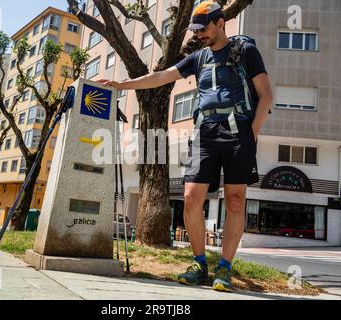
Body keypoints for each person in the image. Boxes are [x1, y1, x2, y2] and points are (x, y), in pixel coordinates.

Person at [100, 1, 272, 292]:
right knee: (191, 198)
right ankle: (199, 263)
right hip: (205, 132)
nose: (198, 35)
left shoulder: (246, 52)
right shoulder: (198, 57)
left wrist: (252, 133)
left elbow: (265, 95)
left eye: (203, 29)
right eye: (195, 30)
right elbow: (160, 77)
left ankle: (225, 268)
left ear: (220, 23)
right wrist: (122, 85)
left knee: (235, 200)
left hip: (238, 131)